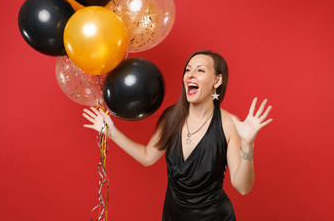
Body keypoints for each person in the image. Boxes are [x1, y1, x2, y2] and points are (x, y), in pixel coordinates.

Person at [82, 50, 273, 220]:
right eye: (188, 69)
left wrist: (247, 145)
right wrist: (112, 132)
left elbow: (242, 187)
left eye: (200, 70)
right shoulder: (171, 118)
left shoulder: (229, 123)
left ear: (217, 80)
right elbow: (148, 157)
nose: (190, 75)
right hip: (173, 216)